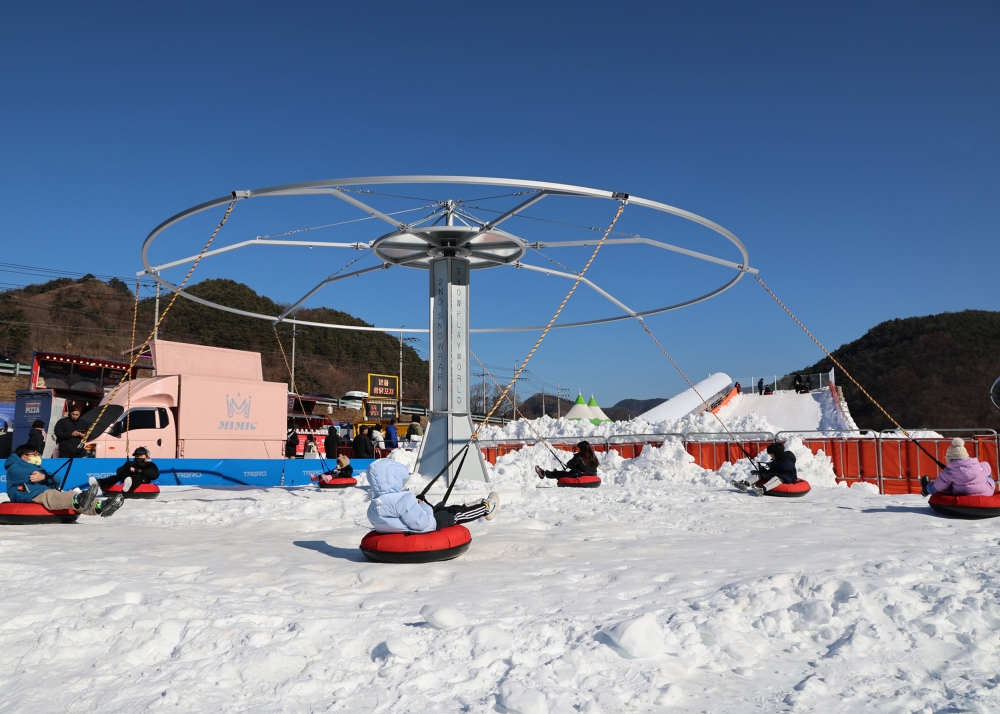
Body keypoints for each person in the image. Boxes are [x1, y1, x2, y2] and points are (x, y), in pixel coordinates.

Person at [366, 458, 499, 533]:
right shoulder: (403, 500)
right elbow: (420, 523)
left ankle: (475, 505)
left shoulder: (374, 506)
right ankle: (486, 508)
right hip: (432, 523)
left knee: (447, 509)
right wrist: (423, 506)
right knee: (456, 514)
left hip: (416, 523)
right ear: (393, 480)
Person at [5, 444, 124, 517]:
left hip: (41, 491)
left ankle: (101, 505)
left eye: (38, 454)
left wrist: (44, 477)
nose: (37, 457)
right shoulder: (14, 467)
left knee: (61, 497)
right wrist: (46, 477)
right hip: (27, 494)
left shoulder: (38, 468)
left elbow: (57, 479)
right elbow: (33, 475)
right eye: (34, 454)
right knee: (51, 495)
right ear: (24, 456)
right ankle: (79, 498)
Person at [920, 438, 995, 497]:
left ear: (949, 458)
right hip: (987, 492)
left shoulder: (948, 472)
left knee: (944, 487)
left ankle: (926, 489)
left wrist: (928, 487)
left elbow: (937, 487)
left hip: (963, 494)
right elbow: (987, 466)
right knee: (988, 477)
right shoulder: (979, 465)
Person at [733, 443, 798, 495]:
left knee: (776, 478)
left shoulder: (788, 458)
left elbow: (786, 466)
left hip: (788, 476)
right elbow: (774, 469)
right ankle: (745, 484)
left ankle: (762, 489)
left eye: (771, 454)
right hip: (779, 474)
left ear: (776, 454)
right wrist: (762, 470)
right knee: (761, 474)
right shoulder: (776, 460)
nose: (770, 456)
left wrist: (771, 464)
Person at [534, 440, 600, 480]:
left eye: (579, 448)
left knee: (561, 473)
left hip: (580, 475)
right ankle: (556, 473)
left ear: (582, 449)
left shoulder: (579, 456)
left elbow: (569, 464)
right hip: (592, 475)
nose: (578, 450)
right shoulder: (593, 457)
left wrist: (571, 466)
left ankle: (543, 473)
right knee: (564, 473)